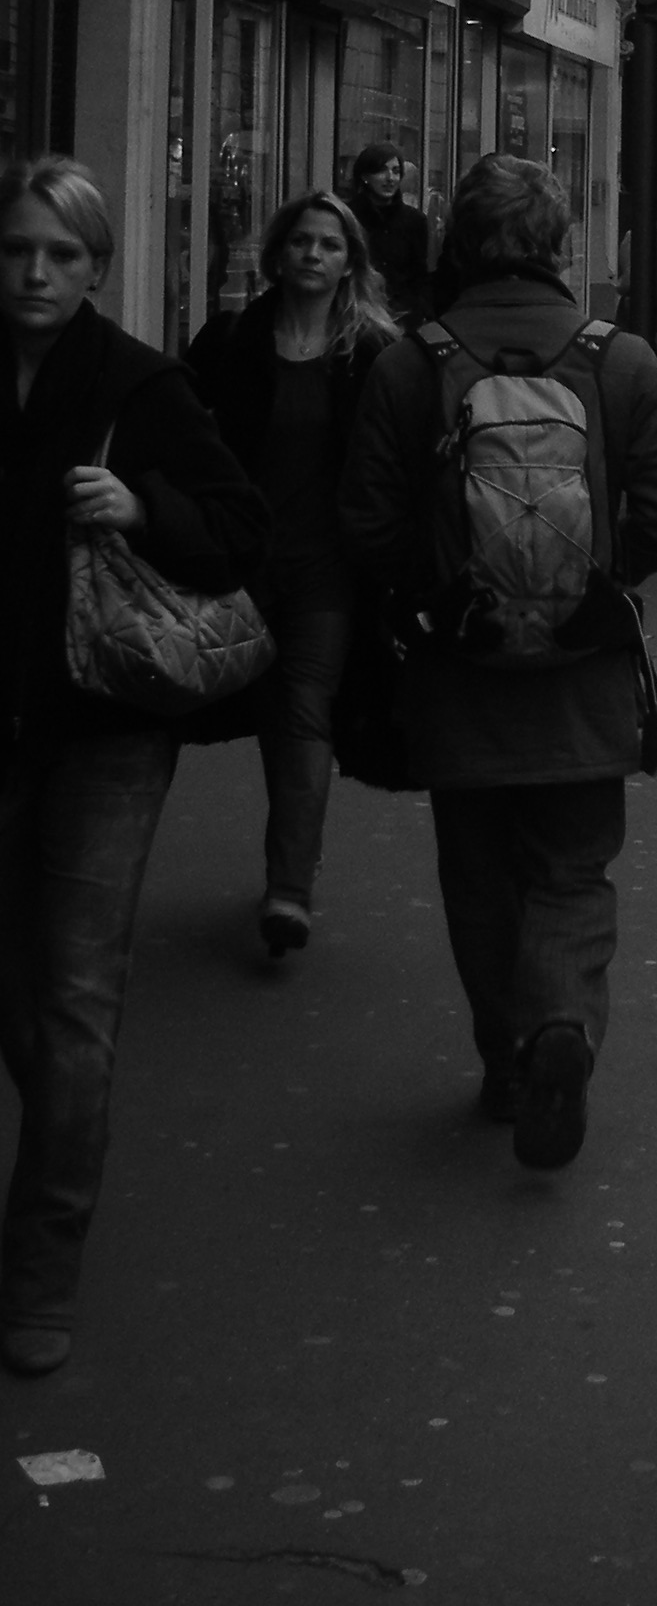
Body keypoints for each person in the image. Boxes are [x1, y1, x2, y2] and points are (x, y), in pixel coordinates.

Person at [339, 156, 657, 1172]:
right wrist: (602, 584)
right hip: (583, 680)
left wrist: (441, 595)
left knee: (480, 880)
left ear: (459, 242)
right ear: (555, 247)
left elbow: (365, 526)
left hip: (460, 680)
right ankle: (562, 1030)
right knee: (574, 874)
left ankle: (507, 1060)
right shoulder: (617, 359)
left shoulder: (411, 364)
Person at [0, 156, 266, 1377]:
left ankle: (39, 1271)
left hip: (103, 728)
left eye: (61, 255)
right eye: (18, 251)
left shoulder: (139, 384)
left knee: (76, 996)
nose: (36, 273)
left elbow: (235, 538)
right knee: (31, 994)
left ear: (99, 267)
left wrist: (139, 506)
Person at [188, 190, 400, 959]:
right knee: (250, 711)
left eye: (330, 245)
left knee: (303, 710)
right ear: (278, 253)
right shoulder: (231, 340)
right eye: (302, 242)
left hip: (327, 572)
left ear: (351, 263)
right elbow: (179, 433)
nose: (313, 254)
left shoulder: (372, 353)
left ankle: (288, 890)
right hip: (238, 566)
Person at [346, 142, 432, 328]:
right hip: (356, 315)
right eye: (381, 171)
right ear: (365, 176)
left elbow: (419, 276)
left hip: (404, 318)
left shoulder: (414, 221)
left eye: (395, 171)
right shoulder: (347, 217)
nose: (390, 178)